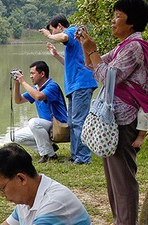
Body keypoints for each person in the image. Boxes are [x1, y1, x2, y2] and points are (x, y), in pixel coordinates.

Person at [76, 0, 148, 225]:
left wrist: (94, 50)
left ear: (131, 21)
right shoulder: (123, 46)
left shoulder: (133, 48)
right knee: (112, 172)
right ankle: (119, 220)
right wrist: (87, 47)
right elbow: (93, 66)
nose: (113, 20)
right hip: (113, 118)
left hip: (124, 119)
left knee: (123, 173)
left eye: (117, 16)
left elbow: (108, 76)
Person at [40, 15, 98, 165]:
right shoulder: (72, 45)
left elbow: (63, 36)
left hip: (81, 84)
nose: (53, 33)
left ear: (59, 26)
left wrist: (50, 35)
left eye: (53, 30)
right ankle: (75, 155)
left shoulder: (72, 31)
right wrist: (56, 55)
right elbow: (70, 63)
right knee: (72, 122)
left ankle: (83, 158)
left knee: (79, 121)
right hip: (74, 86)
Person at [12, 61, 68, 163]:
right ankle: (49, 149)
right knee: (15, 137)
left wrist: (23, 82)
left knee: (34, 122)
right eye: (30, 74)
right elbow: (18, 100)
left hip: (58, 125)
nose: (30, 76)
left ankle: (49, 155)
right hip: (44, 127)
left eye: (33, 73)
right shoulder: (35, 88)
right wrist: (17, 84)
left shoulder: (52, 86)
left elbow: (39, 96)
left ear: (42, 74)